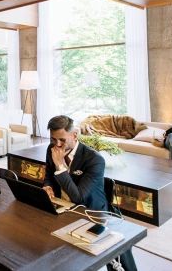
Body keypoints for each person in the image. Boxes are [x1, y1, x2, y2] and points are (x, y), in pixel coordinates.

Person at [43, 115, 137, 271]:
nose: (57, 145)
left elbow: (78, 198)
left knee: (118, 251)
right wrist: (47, 186)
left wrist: (60, 165)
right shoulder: (51, 149)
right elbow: (48, 176)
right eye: (53, 139)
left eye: (62, 140)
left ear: (74, 135)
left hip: (91, 212)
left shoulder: (94, 159)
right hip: (63, 208)